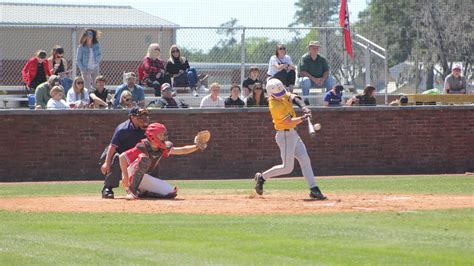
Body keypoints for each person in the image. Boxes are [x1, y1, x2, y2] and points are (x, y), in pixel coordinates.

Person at [254, 78, 327, 200]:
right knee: (287, 168)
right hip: (285, 135)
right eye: (278, 94)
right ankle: (262, 177)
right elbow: (288, 122)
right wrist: (303, 118)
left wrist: (304, 107)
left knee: (305, 160)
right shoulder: (274, 105)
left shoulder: (281, 94)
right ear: (271, 93)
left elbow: (294, 98)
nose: (281, 95)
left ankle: (314, 189)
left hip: (294, 135)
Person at [119, 123, 208, 200]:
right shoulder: (142, 146)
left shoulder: (163, 147)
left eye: (164, 134)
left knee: (171, 192)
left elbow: (181, 150)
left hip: (143, 176)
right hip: (131, 174)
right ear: (152, 136)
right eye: (160, 135)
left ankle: (143, 192)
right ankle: (131, 191)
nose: (164, 137)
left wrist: (196, 147)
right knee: (144, 158)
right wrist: (125, 177)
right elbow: (122, 157)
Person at [100, 107, 150, 199]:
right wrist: (106, 163)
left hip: (133, 154)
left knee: (147, 158)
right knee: (116, 158)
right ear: (132, 117)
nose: (144, 118)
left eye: (145, 116)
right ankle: (107, 188)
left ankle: (143, 189)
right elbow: (112, 147)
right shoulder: (123, 129)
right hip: (116, 154)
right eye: (140, 116)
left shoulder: (146, 129)